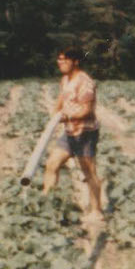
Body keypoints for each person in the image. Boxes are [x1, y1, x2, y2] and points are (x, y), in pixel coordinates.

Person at [43, 47, 102, 215]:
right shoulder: (66, 79)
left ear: (75, 62)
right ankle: (47, 206)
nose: (60, 63)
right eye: (59, 59)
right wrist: (55, 114)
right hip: (69, 132)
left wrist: (66, 117)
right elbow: (62, 97)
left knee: (89, 172)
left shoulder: (85, 82)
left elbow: (87, 111)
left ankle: (97, 211)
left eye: (64, 60)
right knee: (51, 165)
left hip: (85, 133)